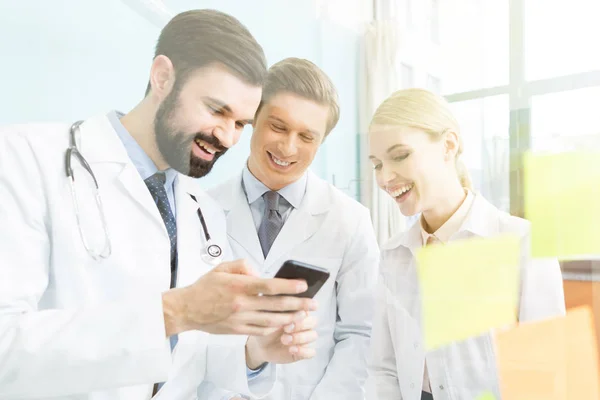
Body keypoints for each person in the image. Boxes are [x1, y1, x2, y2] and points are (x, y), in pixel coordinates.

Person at [0, 10, 320, 400]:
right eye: (217, 110)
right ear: (163, 77)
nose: (228, 137)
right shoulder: (25, 159)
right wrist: (174, 311)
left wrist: (254, 353)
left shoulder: (202, 210)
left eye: (241, 124)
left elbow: (190, 357)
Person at [365, 88, 565, 400]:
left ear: (448, 144)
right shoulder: (393, 255)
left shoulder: (522, 245)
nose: (385, 177)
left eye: (400, 155)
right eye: (377, 163)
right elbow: (383, 368)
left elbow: (544, 380)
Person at [205, 58, 380, 399]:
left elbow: (362, 333)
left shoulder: (349, 220)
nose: (288, 148)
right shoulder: (200, 211)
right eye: (279, 127)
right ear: (254, 117)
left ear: (321, 141)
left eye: (306, 136)